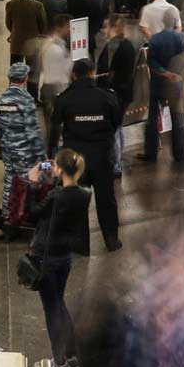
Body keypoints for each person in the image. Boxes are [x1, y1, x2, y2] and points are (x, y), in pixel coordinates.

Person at [26, 149, 91, 367]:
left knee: (52, 310)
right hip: (65, 258)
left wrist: (33, 184)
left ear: (61, 170)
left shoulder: (56, 197)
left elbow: (33, 212)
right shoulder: (84, 195)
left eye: (54, 166)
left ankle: (59, 361)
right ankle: (71, 356)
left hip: (46, 257)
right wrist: (53, 182)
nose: (51, 168)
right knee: (59, 304)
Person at [49, 58, 123, 251]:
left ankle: (80, 245)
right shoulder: (108, 97)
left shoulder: (64, 98)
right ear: (93, 73)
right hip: (102, 157)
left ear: (74, 75)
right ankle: (111, 240)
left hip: (76, 161)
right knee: (106, 199)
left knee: (77, 201)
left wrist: (52, 155)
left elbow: (55, 127)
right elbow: (117, 122)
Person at [0, 62, 46, 233]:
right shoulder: (26, 100)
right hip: (25, 152)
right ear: (25, 78)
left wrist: (1, 148)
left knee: (9, 181)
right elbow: (32, 131)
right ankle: (25, 217)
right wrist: (41, 156)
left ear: (9, 78)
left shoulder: (0, 99)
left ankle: (7, 216)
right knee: (28, 183)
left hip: (8, 150)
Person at [140, 9, 184, 163]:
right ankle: (180, 154)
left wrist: (165, 73)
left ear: (163, 21)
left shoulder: (154, 39)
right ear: (175, 22)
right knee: (177, 118)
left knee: (153, 118)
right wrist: (181, 76)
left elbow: (151, 62)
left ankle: (151, 154)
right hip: (176, 85)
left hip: (158, 84)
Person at [96, 15, 136, 177]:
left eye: (106, 26)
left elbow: (108, 73)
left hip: (114, 94)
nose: (103, 30)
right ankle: (117, 162)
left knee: (113, 131)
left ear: (113, 27)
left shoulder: (113, 45)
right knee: (118, 129)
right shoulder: (128, 44)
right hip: (125, 92)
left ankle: (115, 166)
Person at [5, 0, 47, 97]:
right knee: (33, 71)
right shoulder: (38, 6)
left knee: (15, 70)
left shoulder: (11, 4)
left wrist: (15, 33)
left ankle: (13, 94)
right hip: (33, 44)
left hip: (16, 43)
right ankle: (32, 96)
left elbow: (8, 23)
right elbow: (43, 25)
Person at [40, 14, 72, 147]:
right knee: (54, 128)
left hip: (53, 88)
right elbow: (64, 70)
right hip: (53, 89)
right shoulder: (54, 48)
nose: (70, 30)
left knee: (54, 127)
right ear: (59, 28)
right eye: (68, 27)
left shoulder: (56, 45)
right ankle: (50, 153)